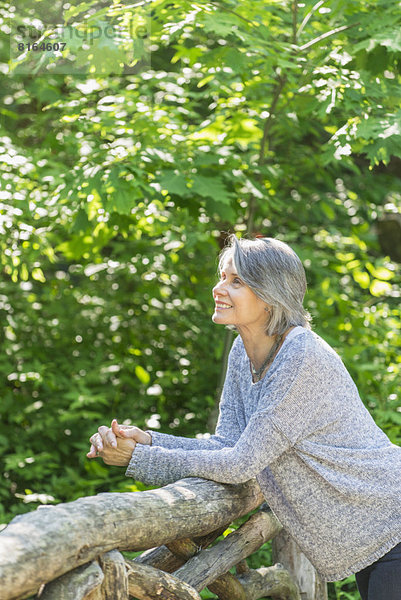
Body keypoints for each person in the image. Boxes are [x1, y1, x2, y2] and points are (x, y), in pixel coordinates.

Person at [87, 234, 401, 600]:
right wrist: (150, 440)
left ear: (270, 295)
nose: (219, 288)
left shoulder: (301, 357)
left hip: (390, 521)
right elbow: (229, 443)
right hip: (374, 537)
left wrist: (140, 459)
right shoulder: (243, 350)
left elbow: (241, 463)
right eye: (222, 277)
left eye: (236, 281)